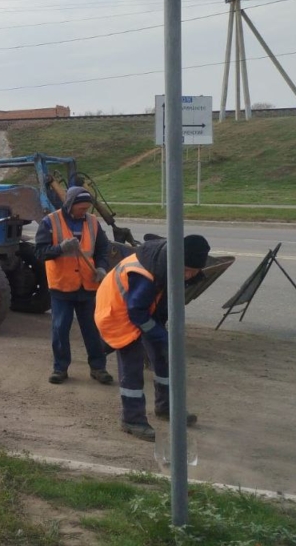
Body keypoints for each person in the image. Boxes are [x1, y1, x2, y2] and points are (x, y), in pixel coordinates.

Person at [94, 234, 211, 441]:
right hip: (117, 312)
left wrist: (162, 336)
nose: (187, 276)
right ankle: (132, 419)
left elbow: (159, 303)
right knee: (132, 365)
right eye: (185, 270)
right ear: (177, 261)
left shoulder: (166, 263)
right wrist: (161, 336)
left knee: (164, 357)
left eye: (193, 272)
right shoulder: (145, 275)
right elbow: (136, 311)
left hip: (142, 309)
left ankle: (166, 408)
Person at [35, 186, 114, 386]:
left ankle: (98, 368)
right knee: (60, 329)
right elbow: (40, 252)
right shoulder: (50, 222)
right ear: (70, 205)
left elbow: (103, 249)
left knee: (92, 330)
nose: (84, 212)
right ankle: (60, 369)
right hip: (62, 287)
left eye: (86, 208)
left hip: (87, 286)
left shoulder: (93, 222)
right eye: (81, 209)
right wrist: (60, 249)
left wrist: (102, 268)